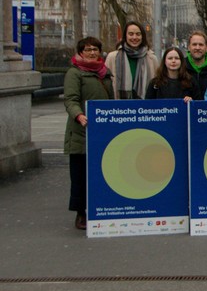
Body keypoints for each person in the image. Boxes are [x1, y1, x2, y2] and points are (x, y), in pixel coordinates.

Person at [64, 36, 113, 230]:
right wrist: (79, 115)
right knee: (80, 175)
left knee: (99, 172)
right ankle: (80, 213)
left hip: (101, 131)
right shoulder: (74, 73)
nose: (92, 52)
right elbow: (70, 99)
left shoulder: (104, 73)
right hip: (81, 132)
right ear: (81, 52)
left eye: (95, 49)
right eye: (88, 49)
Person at [105, 20, 159, 99]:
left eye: (138, 34)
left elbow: (157, 84)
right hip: (118, 107)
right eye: (131, 34)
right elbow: (106, 84)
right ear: (125, 36)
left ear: (142, 36)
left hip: (146, 107)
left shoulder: (152, 58)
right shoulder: (112, 57)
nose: (134, 37)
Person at [186, 31, 207, 97]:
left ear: (206, 48)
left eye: (201, 45)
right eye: (194, 44)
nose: (197, 48)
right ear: (188, 47)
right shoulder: (181, 68)